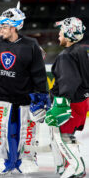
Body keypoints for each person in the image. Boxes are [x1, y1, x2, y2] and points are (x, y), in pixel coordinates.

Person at [0, 6, 50, 174]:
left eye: (4, 26)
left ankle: (26, 158)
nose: (0, 29)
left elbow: (39, 74)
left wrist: (40, 98)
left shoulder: (31, 45)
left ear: (14, 27)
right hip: (1, 95)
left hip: (24, 97)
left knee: (27, 130)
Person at [45, 17, 89, 178]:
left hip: (71, 104)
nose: (58, 34)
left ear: (69, 34)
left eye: (61, 31)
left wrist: (60, 104)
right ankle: (67, 166)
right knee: (67, 136)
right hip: (81, 102)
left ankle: (75, 168)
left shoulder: (67, 55)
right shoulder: (81, 51)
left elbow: (69, 81)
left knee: (62, 137)